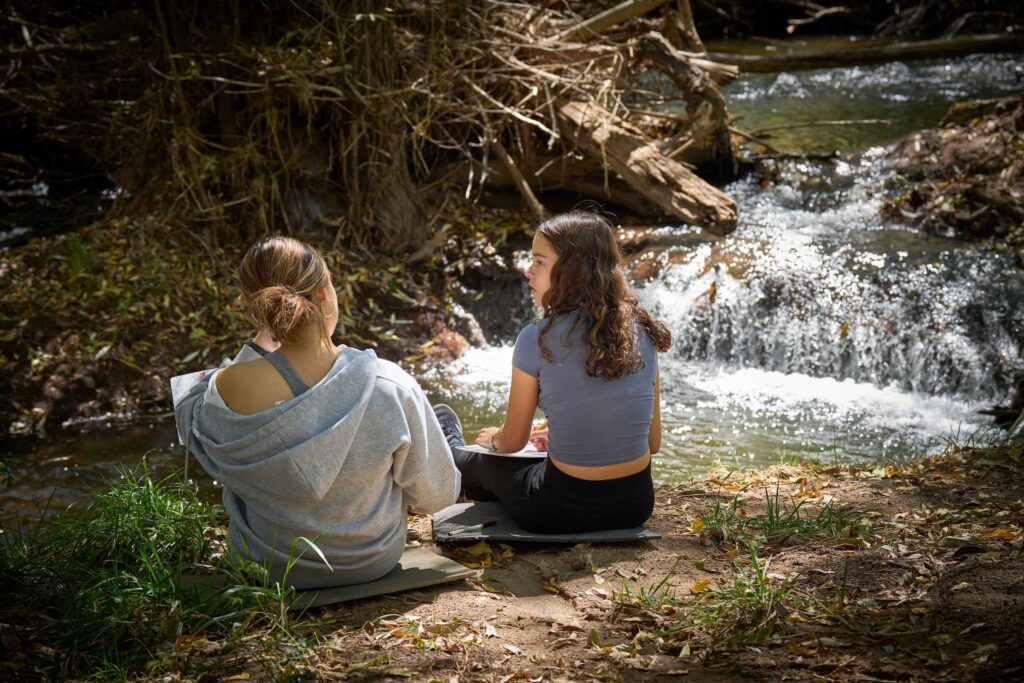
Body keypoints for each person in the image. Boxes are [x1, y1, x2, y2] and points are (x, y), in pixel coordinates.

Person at [174, 236, 460, 589]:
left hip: (265, 566)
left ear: (257, 306)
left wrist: (261, 343)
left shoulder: (223, 390)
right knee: (437, 426)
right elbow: (439, 497)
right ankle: (452, 438)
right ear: (324, 293)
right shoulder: (387, 385)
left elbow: (189, 416)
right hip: (369, 562)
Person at [443, 210, 672, 534]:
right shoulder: (643, 331)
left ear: (572, 272)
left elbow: (511, 442)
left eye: (539, 262)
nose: (527, 271)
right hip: (635, 505)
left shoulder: (535, 338)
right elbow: (652, 443)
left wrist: (492, 437)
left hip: (557, 509)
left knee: (475, 463)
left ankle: (449, 440)